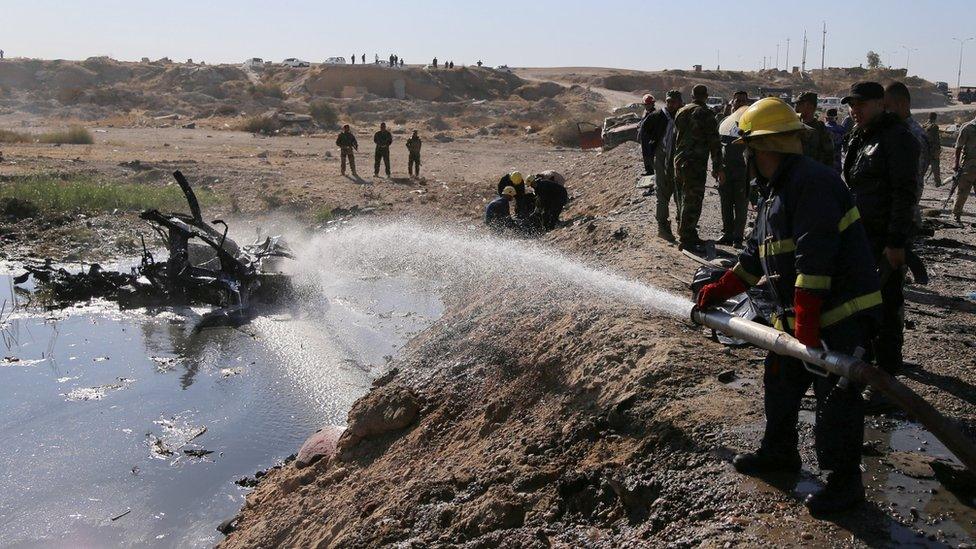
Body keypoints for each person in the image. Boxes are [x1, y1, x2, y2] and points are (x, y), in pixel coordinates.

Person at [697, 97, 881, 515]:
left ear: (765, 148)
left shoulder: (811, 183)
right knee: (779, 382)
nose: (745, 158)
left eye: (748, 150)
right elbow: (756, 256)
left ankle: (844, 484)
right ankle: (780, 452)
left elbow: (814, 258)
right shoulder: (775, 191)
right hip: (803, 318)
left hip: (841, 317)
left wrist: (809, 324)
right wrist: (722, 288)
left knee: (835, 402)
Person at [842, 82, 918, 378]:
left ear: (879, 104)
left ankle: (887, 373)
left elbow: (904, 193)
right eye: (852, 104)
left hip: (885, 238)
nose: (855, 110)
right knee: (862, 301)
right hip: (860, 236)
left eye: (861, 104)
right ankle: (868, 363)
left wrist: (896, 241)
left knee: (887, 303)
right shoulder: (858, 137)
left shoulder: (897, 137)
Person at [674, 84, 724, 251]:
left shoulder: (681, 111)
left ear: (692, 95)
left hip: (679, 161)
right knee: (693, 199)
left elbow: (677, 137)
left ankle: (685, 231)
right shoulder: (706, 114)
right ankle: (686, 237)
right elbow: (714, 143)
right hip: (694, 163)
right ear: (706, 96)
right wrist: (717, 166)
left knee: (682, 196)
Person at [885, 81, 928, 235]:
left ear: (902, 104)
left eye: (887, 106)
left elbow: (914, 179)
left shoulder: (912, 134)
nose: (885, 111)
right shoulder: (894, 130)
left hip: (903, 212)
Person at [718, 91, 751, 248]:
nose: (739, 104)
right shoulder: (725, 122)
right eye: (737, 101)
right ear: (732, 103)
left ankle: (737, 237)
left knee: (740, 205)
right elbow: (717, 146)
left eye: (743, 101)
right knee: (725, 203)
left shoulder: (750, 124)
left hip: (742, 171)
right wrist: (718, 168)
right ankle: (727, 234)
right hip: (725, 169)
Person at [794, 92, 834, 167]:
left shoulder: (821, 130)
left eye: (799, 104)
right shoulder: (795, 127)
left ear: (810, 106)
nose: (796, 108)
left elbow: (829, 157)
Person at [953, 114, 976, 222]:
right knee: (963, 191)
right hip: (969, 165)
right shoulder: (968, 127)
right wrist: (956, 164)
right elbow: (958, 147)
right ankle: (956, 215)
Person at [636, 94, 657, 175]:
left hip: (650, 138)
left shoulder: (655, 114)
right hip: (644, 138)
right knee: (645, 155)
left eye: (648, 104)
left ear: (652, 104)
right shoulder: (646, 113)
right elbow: (643, 122)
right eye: (646, 104)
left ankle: (652, 171)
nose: (647, 106)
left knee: (650, 155)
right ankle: (648, 171)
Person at [824, 108, 846, 173]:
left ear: (826, 118)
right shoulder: (841, 129)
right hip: (837, 164)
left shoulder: (823, 129)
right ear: (836, 118)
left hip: (825, 164)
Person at [925, 112, 942, 185]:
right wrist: (938, 150)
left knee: (923, 167)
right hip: (933, 150)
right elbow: (936, 139)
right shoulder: (934, 126)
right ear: (935, 118)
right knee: (936, 167)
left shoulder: (924, 125)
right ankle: (937, 182)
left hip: (925, 150)